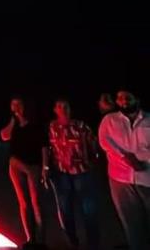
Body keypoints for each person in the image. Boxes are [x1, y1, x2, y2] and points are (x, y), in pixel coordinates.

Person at [46, 99, 101, 250]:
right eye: (59, 106)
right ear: (54, 110)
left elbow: (93, 144)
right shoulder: (52, 126)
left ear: (70, 109)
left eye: (65, 106)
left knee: (88, 209)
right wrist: (46, 168)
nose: (62, 109)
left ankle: (93, 243)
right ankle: (72, 241)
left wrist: (93, 159)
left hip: (81, 171)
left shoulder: (80, 126)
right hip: (61, 172)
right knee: (65, 210)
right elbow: (49, 148)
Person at [98, 90, 150, 250]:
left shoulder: (148, 120)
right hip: (120, 179)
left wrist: (143, 160)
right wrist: (126, 158)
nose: (124, 101)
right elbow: (105, 142)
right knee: (130, 222)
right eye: (119, 98)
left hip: (147, 178)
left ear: (137, 98)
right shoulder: (110, 120)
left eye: (128, 97)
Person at [0, 97, 47, 248]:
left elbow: (44, 146)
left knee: (36, 203)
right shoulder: (14, 124)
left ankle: (40, 240)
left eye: (19, 104)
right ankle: (29, 238)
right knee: (24, 202)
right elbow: (4, 136)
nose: (16, 107)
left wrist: (45, 167)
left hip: (33, 165)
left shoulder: (35, 124)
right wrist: (14, 121)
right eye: (13, 104)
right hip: (16, 165)